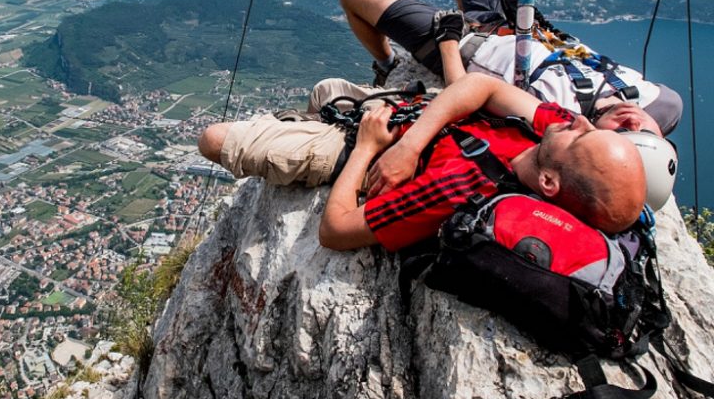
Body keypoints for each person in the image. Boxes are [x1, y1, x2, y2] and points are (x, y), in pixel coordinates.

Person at [198, 72, 646, 252]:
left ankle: (307, 133)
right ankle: (306, 123)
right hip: (407, 124)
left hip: (358, 146)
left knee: (213, 139)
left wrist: (367, 150)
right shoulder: (550, 130)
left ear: (549, 183)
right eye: (592, 128)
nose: (582, 123)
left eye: (582, 139)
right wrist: (410, 145)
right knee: (326, 88)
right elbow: (482, 86)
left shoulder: (461, 189)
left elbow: (335, 231)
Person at [339, 0, 683, 138]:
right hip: (511, 25)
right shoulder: (659, 104)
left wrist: (447, 42)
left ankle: (386, 63)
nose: (633, 125)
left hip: (465, 45)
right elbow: (648, 126)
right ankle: (476, 10)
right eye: (647, 135)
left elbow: (466, 98)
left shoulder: (555, 116)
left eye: (624, 136)